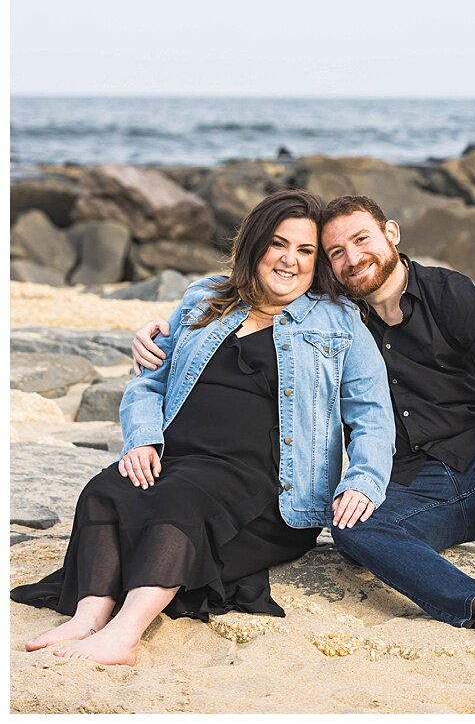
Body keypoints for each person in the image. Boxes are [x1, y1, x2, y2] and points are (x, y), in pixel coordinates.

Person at [133, 193, 475, 651]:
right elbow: (255, 307)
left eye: (362, 240)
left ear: (391, 234)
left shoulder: (451, 295)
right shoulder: (333, 315)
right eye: (335, 253)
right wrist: (170, 330)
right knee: (352, 529)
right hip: (410, 487)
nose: (352, 258)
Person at [12, 190, 393, 666]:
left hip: (265, 484)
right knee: (105, 489)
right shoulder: (205, 298)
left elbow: (372, 414)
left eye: (306, 251)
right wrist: (142, 438)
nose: (289, 261)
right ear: (255, 245)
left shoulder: (339, 323)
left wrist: (365, 479)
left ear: (317, 263)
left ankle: (125, 635)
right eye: (279, 244)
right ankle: (89, 617)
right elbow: (149, 382)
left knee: (179, 501)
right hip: (177, 458)